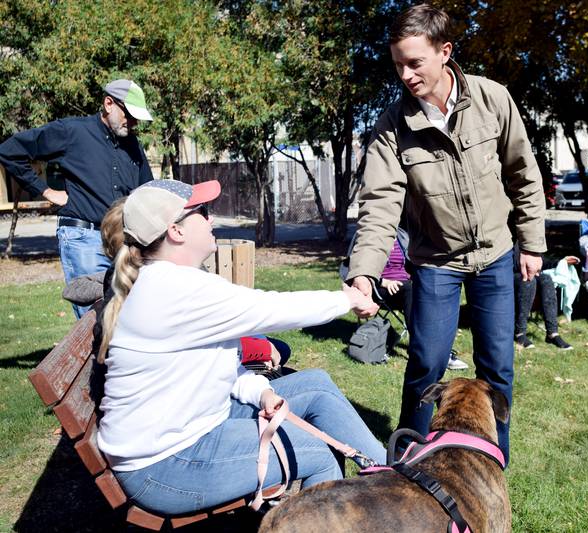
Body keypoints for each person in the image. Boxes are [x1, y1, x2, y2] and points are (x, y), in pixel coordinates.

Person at [95, 179, 385, 516]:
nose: (212, 220)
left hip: (194, 426)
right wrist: (346, 298)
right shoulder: (174, 288)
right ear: (176, 231)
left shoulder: (170, 281)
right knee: (318, 456)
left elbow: (223, 364)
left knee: (317, 386)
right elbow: (272, 310)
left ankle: (391, 475)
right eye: (202, 213)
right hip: (164, 464)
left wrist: (261, 391)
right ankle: (391, 493)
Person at [345, 4, 547, 463]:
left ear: (444, 52)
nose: (406, 74)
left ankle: (492, 460)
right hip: (436, 261)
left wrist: (532, 242)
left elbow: (523, 173)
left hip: (496, 254)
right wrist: (364, 273)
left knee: (498, 368)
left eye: (414, 62)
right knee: (426, 364)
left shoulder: (492, 99)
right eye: (398, 64)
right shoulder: (392, 127)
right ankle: (409, 458)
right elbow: (380, 206)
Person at [0, 79, 154, 317]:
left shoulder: (133, 145)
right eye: (129, 115)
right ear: (109, 103)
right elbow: (10, 151)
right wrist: (46, 192)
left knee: (128, 316)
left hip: (123, 242)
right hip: (84, 239)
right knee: (96, 319)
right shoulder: (71, 131)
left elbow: (146, 191)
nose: (133, 123)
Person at [375, 228, 468, 370]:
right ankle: (424, 349)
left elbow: (411, 263)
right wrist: (384, 282)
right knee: (410, 290)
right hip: (381, 289)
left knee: (426, 289)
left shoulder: (401, 236)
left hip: (404, 288)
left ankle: (437, 350)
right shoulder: (371, 237)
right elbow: (355, 270)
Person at [514, 252, 576, 351]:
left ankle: (552, 333)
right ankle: (519, 332)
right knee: (528, 280)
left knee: (546, 279)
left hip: (528, 272)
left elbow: (542, 261)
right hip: (510, 275)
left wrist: (561, 261)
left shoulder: (526, 242)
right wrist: (528, 264)